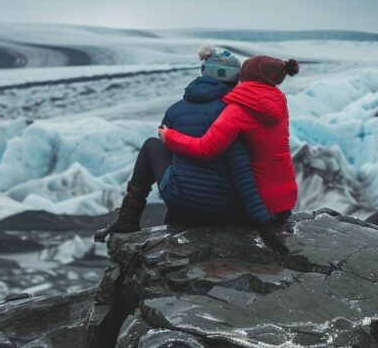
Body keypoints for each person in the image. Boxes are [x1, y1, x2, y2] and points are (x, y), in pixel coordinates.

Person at [94, 46, 289, 255]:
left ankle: (127, 219)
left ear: (203, 73)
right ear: (236, 80)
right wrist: (263, 222)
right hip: (226, 210)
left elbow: (170, 149)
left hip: (181, 202)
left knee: (154, 145)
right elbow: (241, 172)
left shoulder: (175, 110)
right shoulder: (235, 113)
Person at [158, 54, 300, 226]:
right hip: (285, 202)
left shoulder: (237, 109)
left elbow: (205, 148)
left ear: (245, 76)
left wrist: (170, 136)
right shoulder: (279, 101)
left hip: (259, 206)